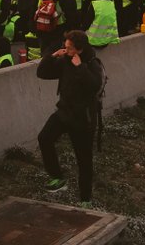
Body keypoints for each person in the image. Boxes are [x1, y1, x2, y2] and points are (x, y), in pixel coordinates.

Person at [36, 30, 104, 205]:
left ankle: (85, 200)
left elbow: (94, 86)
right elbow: (42, 73)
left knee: (84, 161)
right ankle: (57, 177)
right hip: (64, 112)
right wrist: (52, 57)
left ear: (79, 50)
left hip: (83, 119)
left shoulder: (92, 64)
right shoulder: (64, 61)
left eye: (68, 48)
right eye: (64, 47)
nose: (65, 50)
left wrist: (79, 67)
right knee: (44, 138)